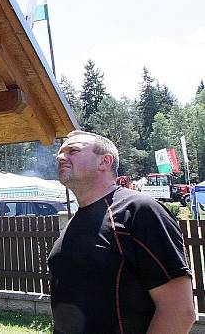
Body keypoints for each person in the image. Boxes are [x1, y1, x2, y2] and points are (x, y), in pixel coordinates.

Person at [48, 130, 195, 334]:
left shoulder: (140, 210)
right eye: (60, 153)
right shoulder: (75, 221)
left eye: (73, 150)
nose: (61, 157)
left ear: (105, 161)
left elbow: (179, 311)